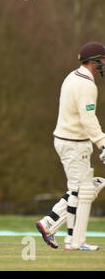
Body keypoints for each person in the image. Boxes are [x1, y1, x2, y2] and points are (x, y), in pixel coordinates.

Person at [36, 42, 105, 251]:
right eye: (102, 59)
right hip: (74, 144)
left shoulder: (73, 76)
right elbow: (88, 118)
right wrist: (103, 143)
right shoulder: (86, 85)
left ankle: (55, 227)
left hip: (68, 141)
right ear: (94, 61)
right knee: (82, 191)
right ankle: (71, 239)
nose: (104, 63)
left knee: (81, 190)